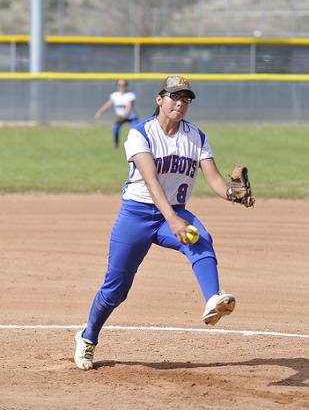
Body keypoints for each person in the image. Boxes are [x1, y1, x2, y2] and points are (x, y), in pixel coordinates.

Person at [74, 75, 252, 371]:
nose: (180, 103)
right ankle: (88, 336)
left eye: (186, 99)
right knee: (115, 289)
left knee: (201, 239)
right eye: (174, 97)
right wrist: (173, 219)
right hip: (137, 215)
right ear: (160, 99)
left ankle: (213, 299)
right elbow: (151, 181)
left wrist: (235, 195)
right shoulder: (140, 133)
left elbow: (217, 180)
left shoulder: (196, 136)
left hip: (175, 212)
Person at [94, 79, 139, 148]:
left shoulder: (130, 95)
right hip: (120, 117)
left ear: (126, 86)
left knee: (135, 130)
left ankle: (135, 144)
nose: (121, 87)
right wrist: (99, 112)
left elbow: (129, 107)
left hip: (131, 117)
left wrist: (124, 115)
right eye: (119, 85)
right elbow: (107, 105)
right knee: (115, 129)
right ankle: (116, 144)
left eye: (123, 85)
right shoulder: (114, 95)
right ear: (117, 86)